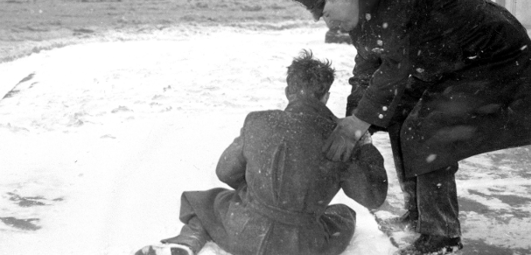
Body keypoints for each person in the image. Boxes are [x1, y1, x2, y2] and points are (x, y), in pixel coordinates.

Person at [292, 0, 531, 255]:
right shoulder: (362, 12)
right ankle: (420, 211)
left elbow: (395, 68)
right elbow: (367, 68)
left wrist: (359, 123)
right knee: (398, 113)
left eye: (326, 14)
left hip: (495, 56)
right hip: (453, 61)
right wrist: (355, 118)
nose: (329, 25)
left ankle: (442, 237)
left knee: (427, 128)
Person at [135, 49, 387, 255]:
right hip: (303, 245)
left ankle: (188, 241)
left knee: (208, 203)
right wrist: (364, 144)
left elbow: (225, 172)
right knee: (344, 214)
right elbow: (373, 197)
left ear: (288, 91)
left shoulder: (258, 122)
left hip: (245, 233)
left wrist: (260, 188)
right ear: (326, 96)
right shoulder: (342, 137)